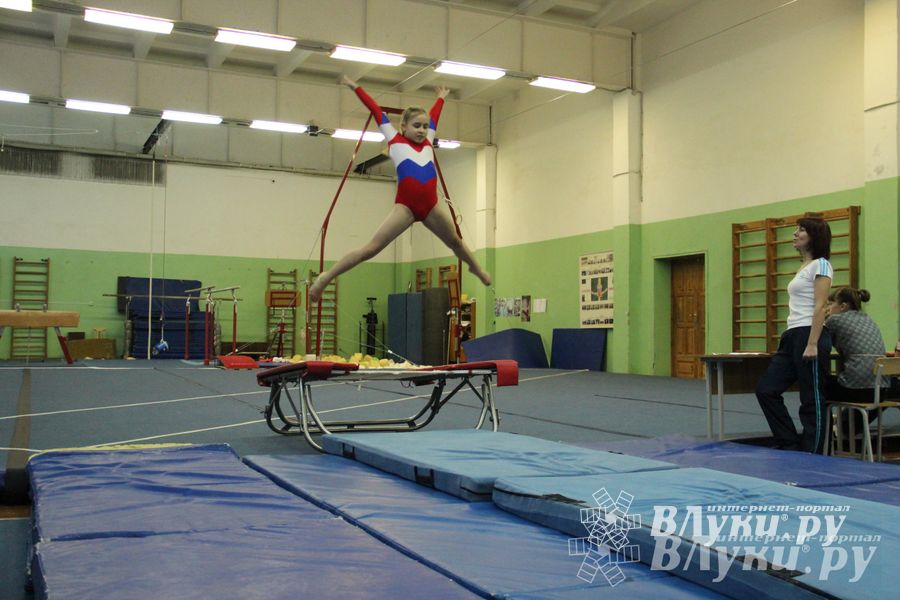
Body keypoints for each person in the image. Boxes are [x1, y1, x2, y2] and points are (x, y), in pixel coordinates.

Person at [308, 76, 492, 303]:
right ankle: (326, 277)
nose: (422, 130)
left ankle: (476, 268)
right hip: (405, 208)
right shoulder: (395, 140)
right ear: (403, 126)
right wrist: (356, 87)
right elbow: (375, 110)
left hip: (431, 208)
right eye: (416, 126)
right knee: (370, 249)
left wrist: (441, 98)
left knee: (455, 241)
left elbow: (434, 116)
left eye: (424, 126)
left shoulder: (428, 141)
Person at [755, 217, 833, 453]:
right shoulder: (804, 267)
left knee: (811, 399)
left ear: (814, 236)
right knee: (766, 389)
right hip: (792, 335)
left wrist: (812, 343)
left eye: (801, 230)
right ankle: (789, 442)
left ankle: (812, 453)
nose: (795, 234)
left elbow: (820, 306)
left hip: (810, 333)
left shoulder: (821, 264)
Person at [824, 287, 889, 430]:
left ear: (843, 306)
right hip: (881, 389)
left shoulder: (834, 320)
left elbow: (820, 345)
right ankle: (846, 429)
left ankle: (824, 436)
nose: (828, 308)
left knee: (817, 388)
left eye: (831, 304)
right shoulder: (868, 319)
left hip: (856, 389)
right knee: (866, 393)